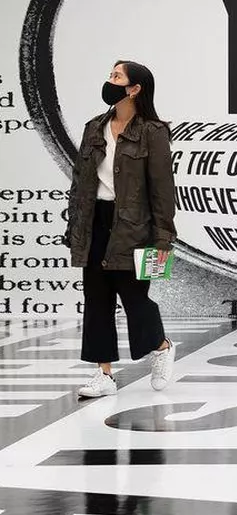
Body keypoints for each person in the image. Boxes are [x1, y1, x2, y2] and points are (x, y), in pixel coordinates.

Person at [63, 60, 177, 398]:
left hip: (134, 227)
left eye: (116, 77)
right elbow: (80, 182)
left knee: (134, 298)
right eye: (110, 75)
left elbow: (162, 190)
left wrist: (163, 238)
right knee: (96, 299)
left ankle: (162, 346)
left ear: (134, 88)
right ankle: (104, 375)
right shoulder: (93, 127)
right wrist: (75, 226)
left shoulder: (153, 132)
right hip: (94, 220)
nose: (109, 81)